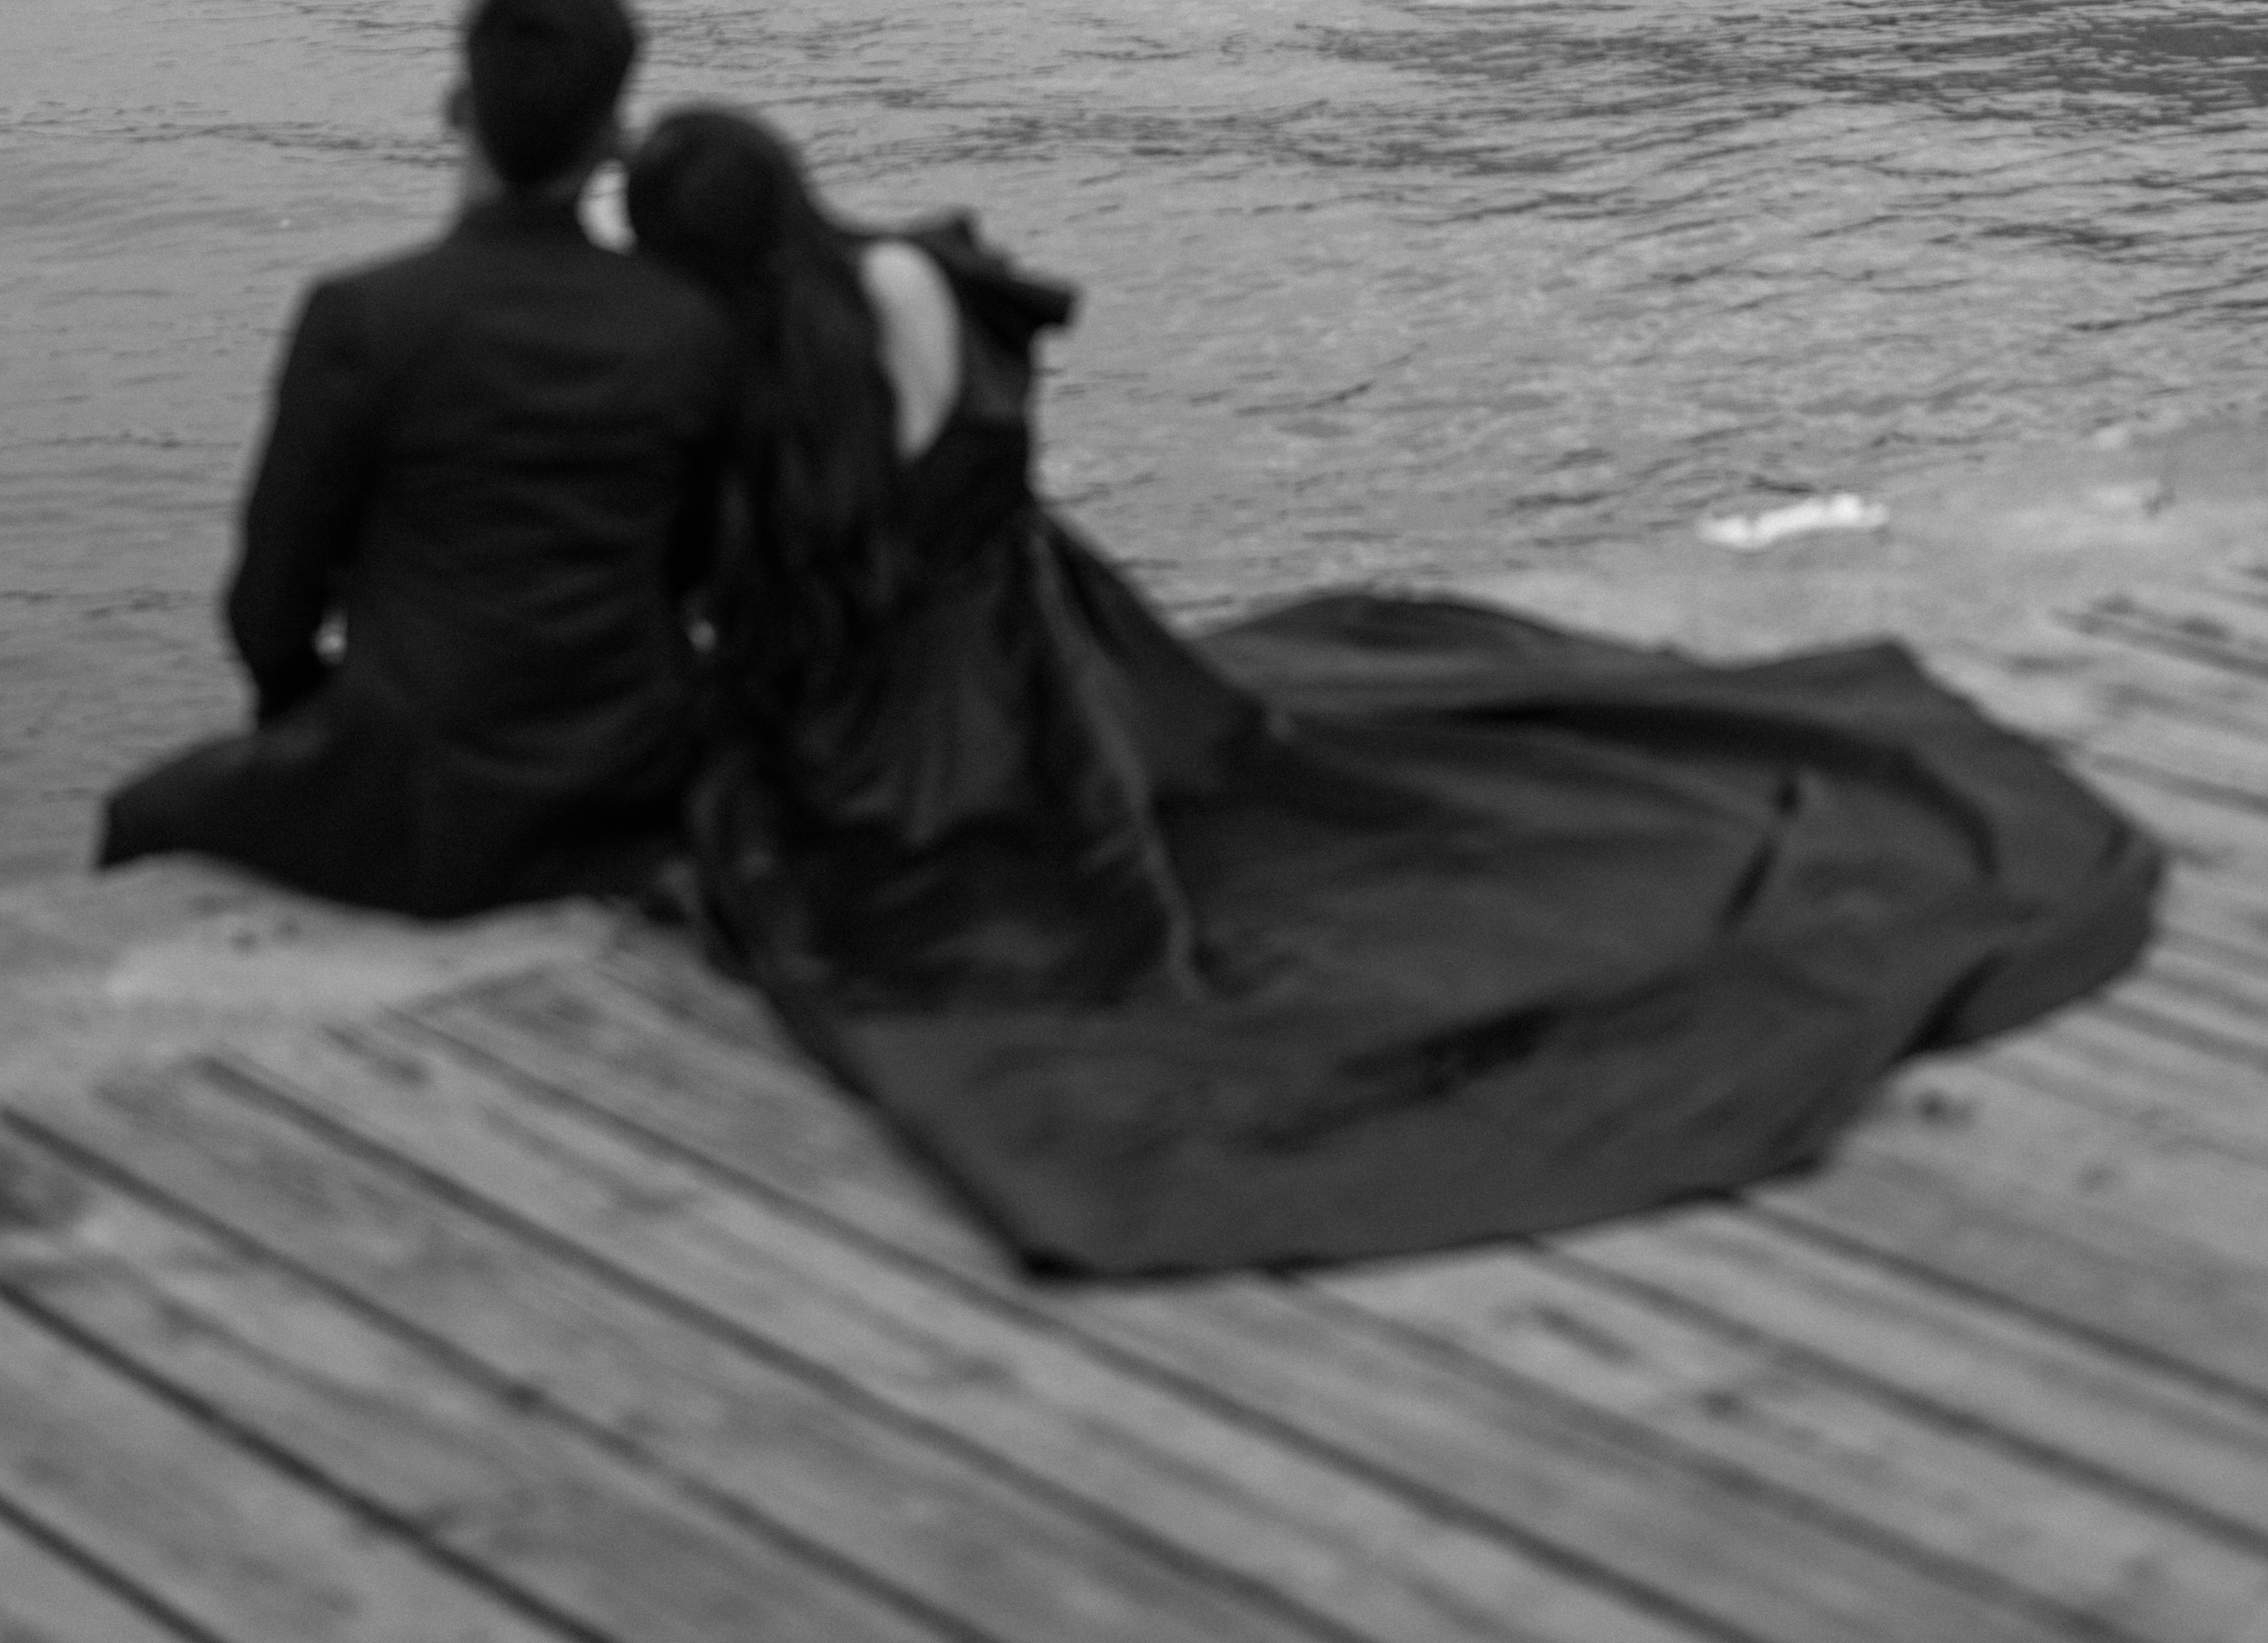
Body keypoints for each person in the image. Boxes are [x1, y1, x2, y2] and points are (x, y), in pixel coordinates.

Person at [623, 105, 2164, 1281]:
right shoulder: (912, 281)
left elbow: (735, 607)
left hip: (895, 734)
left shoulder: (733, 396)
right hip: (1045, 667)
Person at [100, 0, 736, 920]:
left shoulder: (365, 319)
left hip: (420, 793)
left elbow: (269, 605)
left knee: (140, 819)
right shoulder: (688, 327)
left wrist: (313, 716)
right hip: (628, 784)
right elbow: (697, 574)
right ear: (613, 138)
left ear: (457, 108)